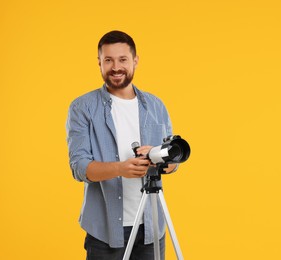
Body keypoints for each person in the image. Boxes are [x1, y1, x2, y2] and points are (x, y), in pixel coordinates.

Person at [66, 30, 177, 260]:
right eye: (108, 60)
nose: (116, 67)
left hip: (151, 228)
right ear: (99, 63)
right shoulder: (82, 108)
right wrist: (120, 169)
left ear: (135, 61)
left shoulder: (156, 106)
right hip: (105, 231)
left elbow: (172, 164)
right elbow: (79, 167)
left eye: (123, 59)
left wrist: (160, 159)